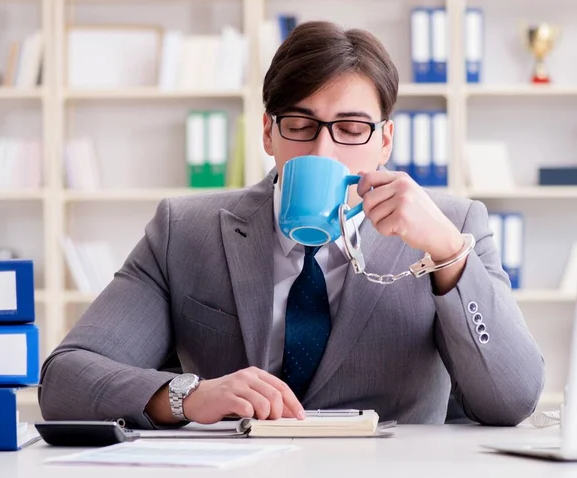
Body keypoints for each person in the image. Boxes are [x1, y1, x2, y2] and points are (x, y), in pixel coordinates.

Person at [39, 21, 544, 428]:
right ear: (268, 132)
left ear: (385, 141)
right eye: (300, 127)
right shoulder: (184, 230)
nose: (323, 150)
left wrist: (449, 254)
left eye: (350, 129)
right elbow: (65, 379)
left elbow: (513, 400)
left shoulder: (453, 226)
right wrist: (190, 396)